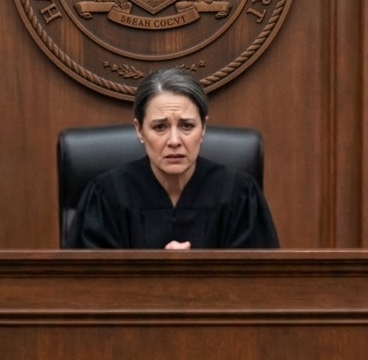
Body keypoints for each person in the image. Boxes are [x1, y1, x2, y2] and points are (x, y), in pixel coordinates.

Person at [69, 68, 279, 250]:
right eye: (160, 127)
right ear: (139, 130)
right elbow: (87, 287)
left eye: (187, 126)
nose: (174, 140)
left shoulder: (239, 194)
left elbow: (259, 285)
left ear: (203, 129)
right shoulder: (106, 196)